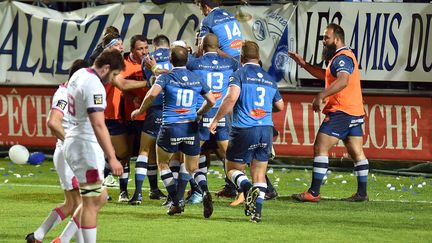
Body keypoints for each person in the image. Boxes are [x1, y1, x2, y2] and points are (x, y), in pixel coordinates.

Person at [131, 46, 216, 218]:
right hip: (190, 127)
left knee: (163, 164)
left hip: (170, 127)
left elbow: (151, 95)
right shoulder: (196, 78)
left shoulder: (166, 77)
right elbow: (212, 101)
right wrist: (199, 112)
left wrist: (140, 111)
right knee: (192, 167)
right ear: (187, 60)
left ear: (170, 60)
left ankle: (176, 201)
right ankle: (205, 191)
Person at [289, 23, 369, 202]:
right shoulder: (339, 57)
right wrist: (304, 64)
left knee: (320, 147)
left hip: (342, 111)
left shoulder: (342, 57)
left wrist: (321, 95)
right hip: (354, 111)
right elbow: (326, 75)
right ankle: (362, 193)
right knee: (357, 152)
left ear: (337, 39)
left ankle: (314, 193)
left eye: (327, 37)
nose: (324, 41)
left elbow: (342, 81)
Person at [209, 40, 284, 223]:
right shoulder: (269, 78)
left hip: (244, 128)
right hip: (265, 129)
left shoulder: (239, 74)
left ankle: (247, 188)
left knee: (232, 169)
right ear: (258, 58)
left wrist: (216, 119)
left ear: (241, 57)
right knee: (259, 173)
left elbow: (231, 98)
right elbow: (280, 106)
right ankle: (256, 213)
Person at [61, 49, 124, 242]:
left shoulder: (80, 73)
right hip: (84, 145)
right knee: (90, 202)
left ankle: (62, 239)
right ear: (106, 68)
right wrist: (112, 157)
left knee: (100, 197)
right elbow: (98, 123)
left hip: (74, 141)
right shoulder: (94, 84)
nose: (113, 80)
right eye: (113, 75)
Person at [25, 60, 89, 243]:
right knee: (87, 202)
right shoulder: (63, 94)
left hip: (65, 154)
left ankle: (38, 235)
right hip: (69, 155)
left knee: (71, 204)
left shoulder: (74, 93)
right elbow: (53, 122)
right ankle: (63, 240)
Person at [187, 33, 239, 203]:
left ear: (202, 46)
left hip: (204, 111)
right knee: (228, 155)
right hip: (222, 112)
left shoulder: (193, 64)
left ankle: (197, 192)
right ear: (218, 47)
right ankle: (241, 190)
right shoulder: (231, 63)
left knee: (192, 154)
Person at [127, 34, 171, 205]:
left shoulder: (148, 60)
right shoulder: (177, 56)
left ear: (154, 46)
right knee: (171, 157)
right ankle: (175, 195)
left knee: (144, 150)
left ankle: (137, 194)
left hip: (154, 111)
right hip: (173, 113)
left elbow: (152, 82)